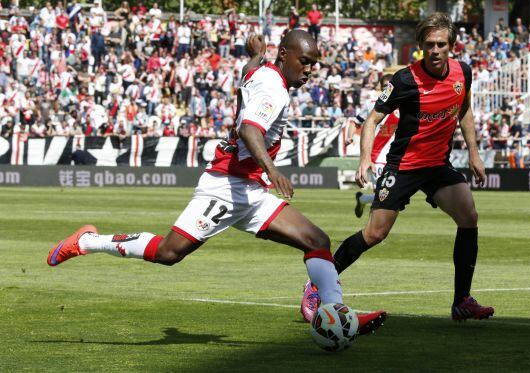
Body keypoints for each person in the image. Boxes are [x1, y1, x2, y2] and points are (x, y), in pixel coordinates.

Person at [47, 30, 385, 336]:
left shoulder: (263, 72)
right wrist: (272, 169)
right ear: (284, 55)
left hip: (249, 190)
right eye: (305, 61)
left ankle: (336, 313)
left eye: (314, 64)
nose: (309, 69)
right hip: (225, 186)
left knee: (316, 239)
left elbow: (246, 73)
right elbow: (249, 130)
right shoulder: (273, 89)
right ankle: (88, 241)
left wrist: (256, 53)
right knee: (168, 253)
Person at [301, 13, 495, 322]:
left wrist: (474, 153)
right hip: (403, 167)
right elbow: (372, 121)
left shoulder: (463, 73)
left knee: (469, 215)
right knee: (375, 233)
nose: (435, 50)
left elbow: (465, 110)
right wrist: (365, 158)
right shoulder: (405, 80)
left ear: (451, 46)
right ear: (420, 45)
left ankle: (462, 301)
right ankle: (316, 284)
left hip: (437, 166)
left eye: (441, 44)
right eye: (429, 44)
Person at [345, 74, 399, 218]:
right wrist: (349, 137)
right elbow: (355, 121)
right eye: (385, 86)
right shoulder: (372, 104)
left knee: (390, 195)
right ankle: (372, 234)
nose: (388, 89)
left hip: (394, 156)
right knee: (383, 195)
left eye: (390, 86)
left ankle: (363, 199)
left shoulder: (402, 105)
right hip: (376, 155)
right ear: (380, 87)